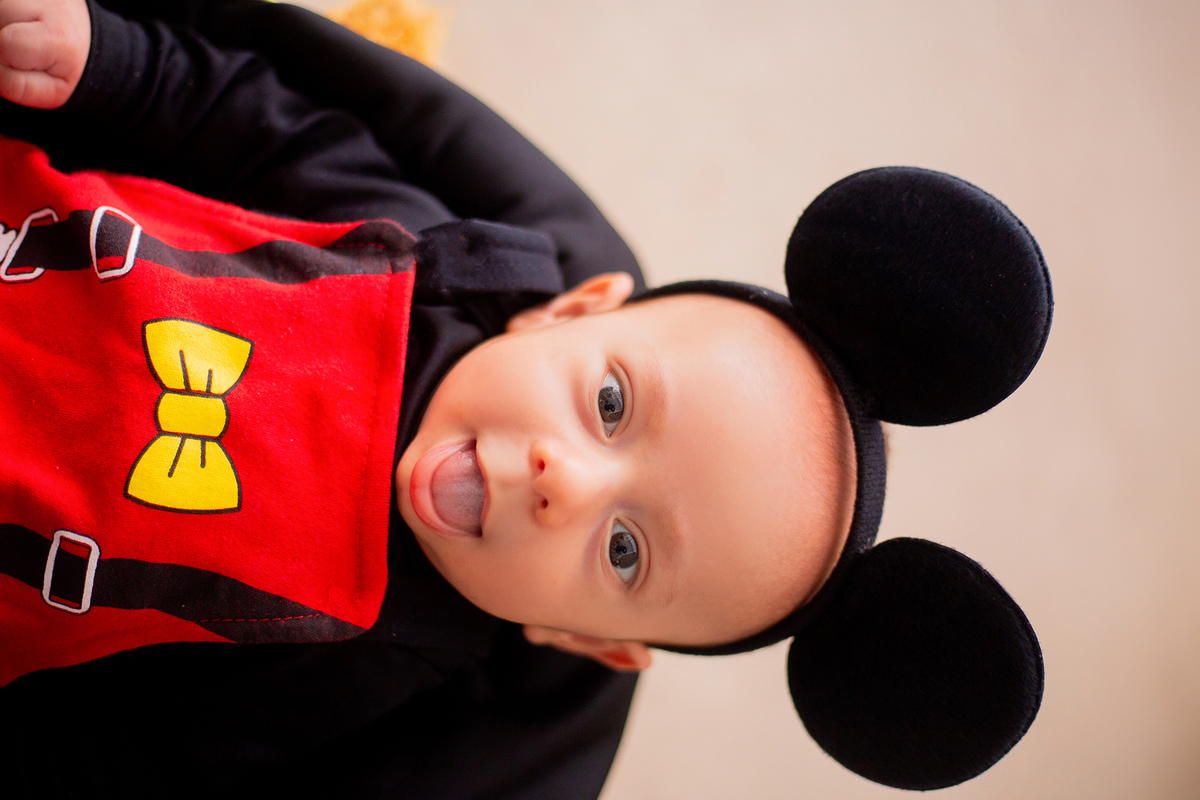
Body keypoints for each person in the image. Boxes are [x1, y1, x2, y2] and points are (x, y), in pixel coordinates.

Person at [0, 0, 1049, 794]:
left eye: (626, 549)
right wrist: (115, 66)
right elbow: (251, 121)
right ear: (571, 309)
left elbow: (141, 739)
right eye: (608, 403)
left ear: (583, 640)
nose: (566, 480)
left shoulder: (369, 657)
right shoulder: (422, 252)